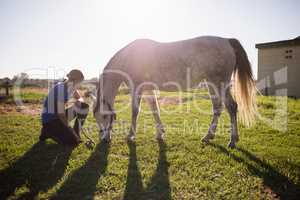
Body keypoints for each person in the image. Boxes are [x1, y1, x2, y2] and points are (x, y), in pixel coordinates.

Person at [40, 69, 89, 146]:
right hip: (51, 121)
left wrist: (79, 101)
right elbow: (61, 114)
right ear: (74, 80)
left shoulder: (71, 87)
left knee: (84, 106)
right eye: (79, 82)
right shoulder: (61, 89)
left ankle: (76, 133)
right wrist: (69, 129)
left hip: (58, 117)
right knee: (73, 142)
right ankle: (47, 131)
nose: (80, 85)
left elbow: (80, 98)